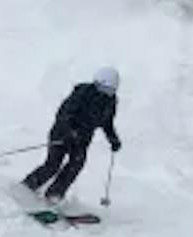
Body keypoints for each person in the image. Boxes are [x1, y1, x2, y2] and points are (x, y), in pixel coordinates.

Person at [23, 67, 122, 202]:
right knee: (53, 165)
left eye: (111, 91)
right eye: (106, 89)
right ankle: (28, 186)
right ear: (98, 83)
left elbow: (107, 122)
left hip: (82, 139)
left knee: (77, 164)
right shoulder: (83, 93)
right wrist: (70, 131)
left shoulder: (110, 102)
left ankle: (54, 194)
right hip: (62, 134)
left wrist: (113, 139)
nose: (108, 93)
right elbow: (63, 113)